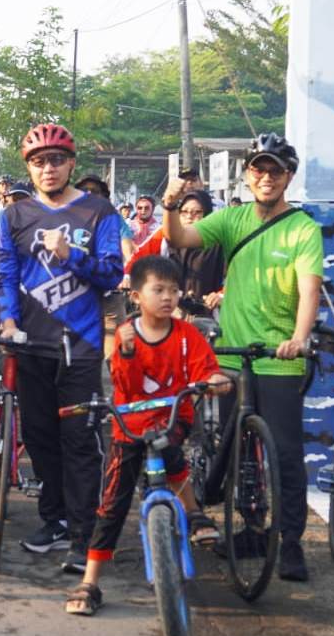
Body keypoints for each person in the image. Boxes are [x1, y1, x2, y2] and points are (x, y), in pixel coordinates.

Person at [161, 132, 323, 582]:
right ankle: (240, 516)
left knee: (287, 455)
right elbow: (181, 237)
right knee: (235, 450)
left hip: (280, 358)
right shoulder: (231, 220)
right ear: (247, 174)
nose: (266, 177)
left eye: (275, 170)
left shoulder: (302, 228)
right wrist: (170, 204)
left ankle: (290, 544)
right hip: (232, 354)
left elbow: (309, 288)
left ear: (288, 176)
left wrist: (299, 336)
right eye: (259, 168)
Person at [64, 256, 230, 615]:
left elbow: (206, 369)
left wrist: (215, 381)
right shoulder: (126, 333)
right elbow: (125, 384)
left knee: (171, 451)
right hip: (129, 426)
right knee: (111, 505)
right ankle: (90, 581)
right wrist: (123, 351)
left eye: (174, 290)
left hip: (173, 419)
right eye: (159, 290)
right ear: (137, 296)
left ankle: (194, 513)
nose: (168, 297)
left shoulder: (188, 335)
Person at [0, 123, 123, 574]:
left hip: (81, 347)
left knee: (79, 443)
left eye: (55, 160)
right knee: (39, 438)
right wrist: (7, 320)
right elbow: (6, 275)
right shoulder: (14, 216)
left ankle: (82, 535)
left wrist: (72, 255)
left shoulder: (99, 212)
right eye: (37, 161)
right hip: (30, 345)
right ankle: (52, 519)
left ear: (71, 164)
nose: (47, 168)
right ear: (28, 168)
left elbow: (112, 275)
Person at [127, 190, 225, 309]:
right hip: (170, 310)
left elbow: (237, 276)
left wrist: (221, 295)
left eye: (197, 212)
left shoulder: (220, 240)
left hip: (209, 312)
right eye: (184, 212)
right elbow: (138, 258)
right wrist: (126, 277)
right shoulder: (165, 234)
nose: (189, 217)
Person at [76, 174, 136, 358]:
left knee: (115, 354)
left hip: (109, 294)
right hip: (76, 295)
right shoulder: (68, 218)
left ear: (104, 197)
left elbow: (128, 248)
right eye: (84, 191)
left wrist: (126, 274)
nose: (89, 195)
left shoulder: (114, 220)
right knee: (77, 356)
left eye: (95, 191)